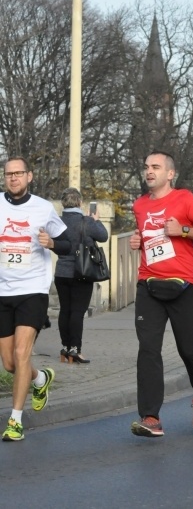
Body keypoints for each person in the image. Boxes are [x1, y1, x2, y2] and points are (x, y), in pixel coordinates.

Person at [129, 150, 193, 437]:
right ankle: (150, 417)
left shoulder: (185, 200)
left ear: (170, 174)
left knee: (187, 348)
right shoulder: (140, 205)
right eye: (146, 167)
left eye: (155, 167)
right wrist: (138, 240)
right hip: (149, 284)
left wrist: (183, 230)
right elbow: (149, 239)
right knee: (148, 349)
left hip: (184, 286)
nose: (149, 171)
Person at [0, 157, 69, 441]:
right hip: (3, 291)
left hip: (33, 291)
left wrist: (52, 243)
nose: (13, 178)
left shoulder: (43, 208)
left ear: (29, 176)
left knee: (21, 353)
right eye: (8, 174)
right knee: (10, 364)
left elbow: (68, 244)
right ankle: (40, 379)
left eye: (18, 173)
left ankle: (15, 420)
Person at [54, 187, 109, 364]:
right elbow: (103, 236)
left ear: (63, 202)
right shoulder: (86, 221)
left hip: (62, 272)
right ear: (80, 202)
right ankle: (75, 350)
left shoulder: (57, 221)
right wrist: (97, 221)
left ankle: (65, 347)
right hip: (82, 273)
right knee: (77, 312)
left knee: (65, 310)